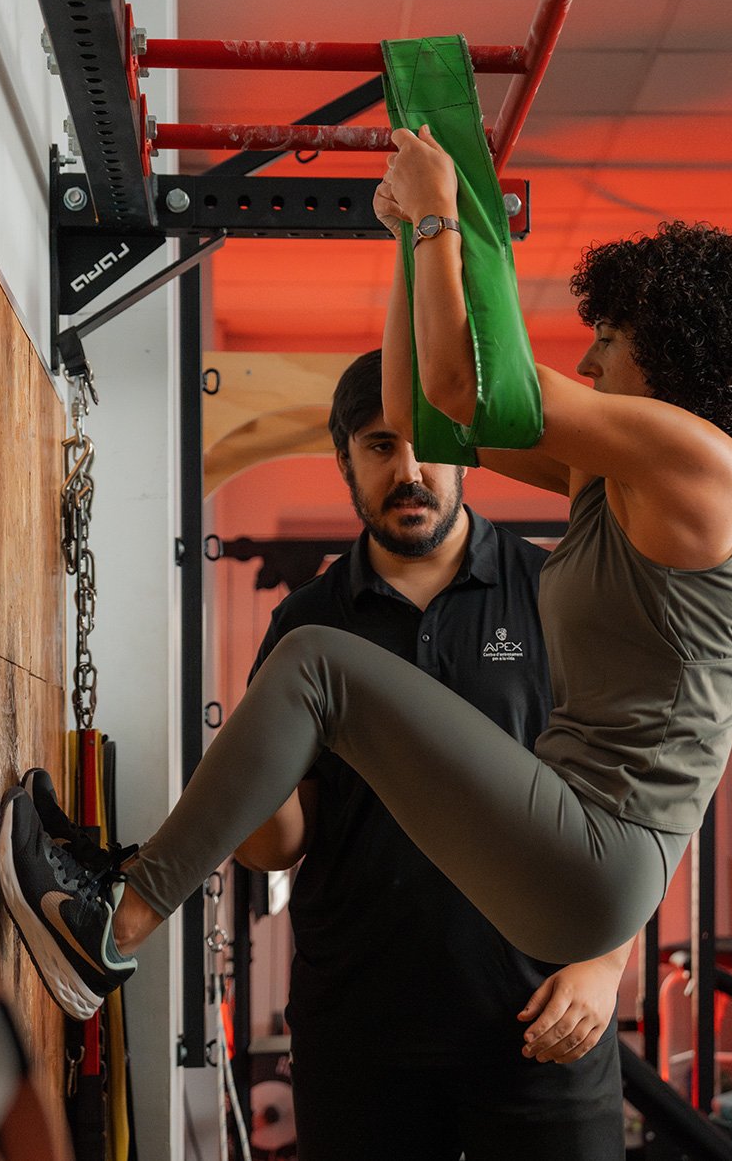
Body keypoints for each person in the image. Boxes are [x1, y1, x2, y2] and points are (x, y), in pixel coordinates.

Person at [0, 123, 732, 1031]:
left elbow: (462, 391)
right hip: (573, 841)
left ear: (671, 351)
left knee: (316, 663)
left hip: (596, 855)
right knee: (317, 665)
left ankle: (115, 921)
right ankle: (118, 902)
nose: (587, 361)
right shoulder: (619, 478)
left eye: (607, 338)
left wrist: (436, 219)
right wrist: (404, 240)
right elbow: (428, 403)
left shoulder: (705, 465)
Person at [233, 350, 626, 1159]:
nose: (409, 470)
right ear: (345, 460)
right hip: (363, 1025)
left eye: (430, 442)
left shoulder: (557, 592)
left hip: (542, 1010)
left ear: (471, 454)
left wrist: (604, 966)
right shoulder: (307, 626)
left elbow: (633, 801)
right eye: (380, 447)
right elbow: (277, 843)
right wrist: (243, 773)